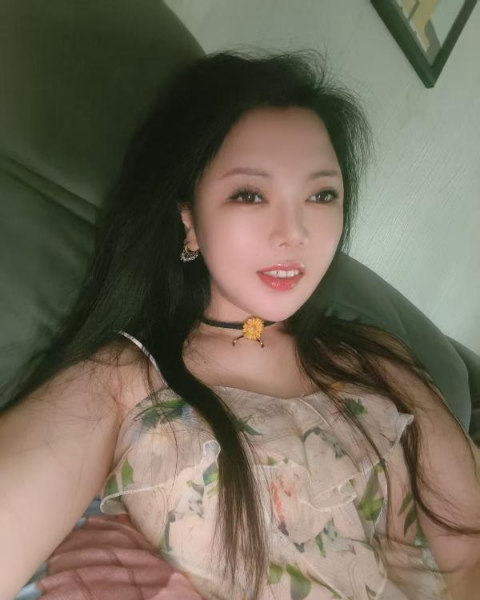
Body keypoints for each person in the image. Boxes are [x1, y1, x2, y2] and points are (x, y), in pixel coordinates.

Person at [1, 49, 479, 600]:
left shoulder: (378, 359)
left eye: (321, 194)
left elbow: (471, 550)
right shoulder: (121, 379)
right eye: (249, 194)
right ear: (189, 218)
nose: (294, 232)